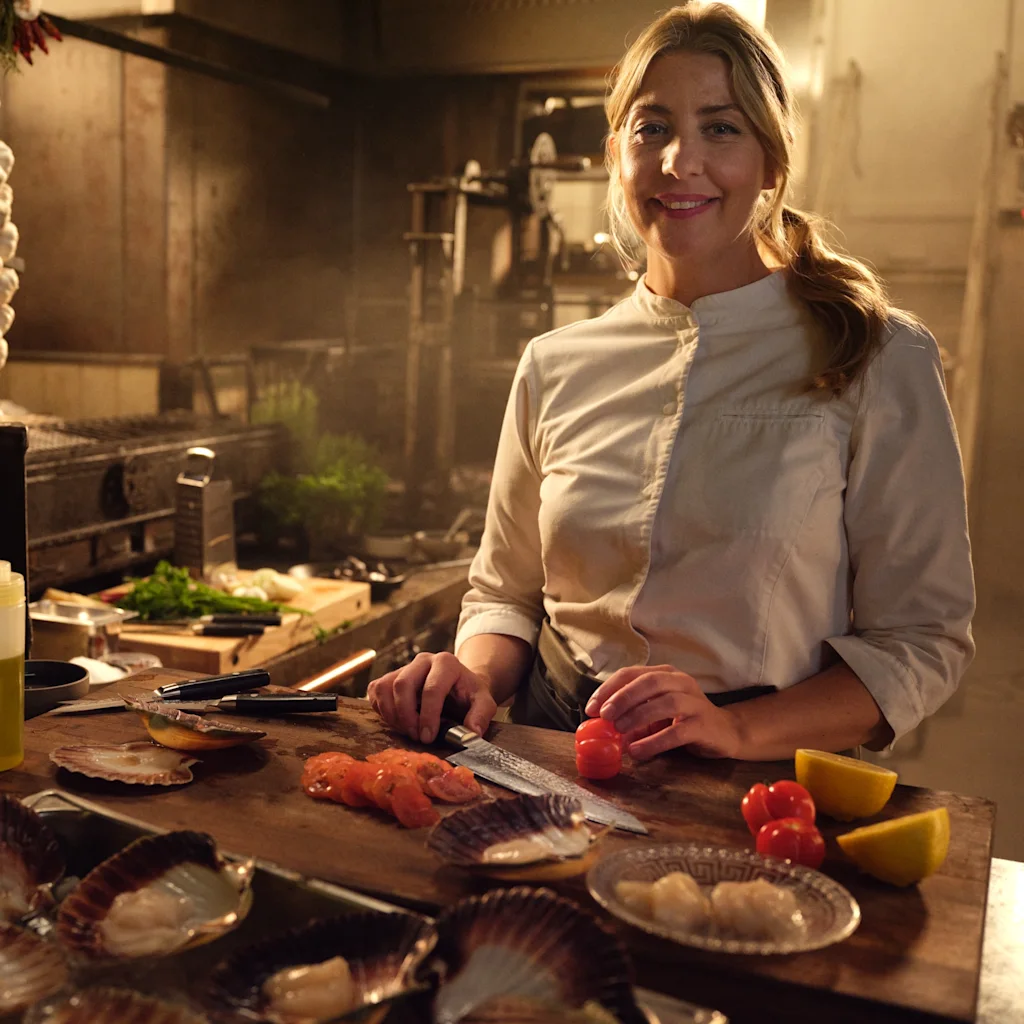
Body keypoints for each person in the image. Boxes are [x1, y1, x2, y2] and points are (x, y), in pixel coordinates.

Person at [368, 1, 975, 762]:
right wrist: (475, 677)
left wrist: (736, 728)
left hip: (758, 773)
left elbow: (920, 640)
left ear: (772, 160)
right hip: (551, 754)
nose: (679, 161)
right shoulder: (555, 363)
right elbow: (505, 594)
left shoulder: (878, 355)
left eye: (720, 128)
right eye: (652, 127)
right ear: (616, 153)